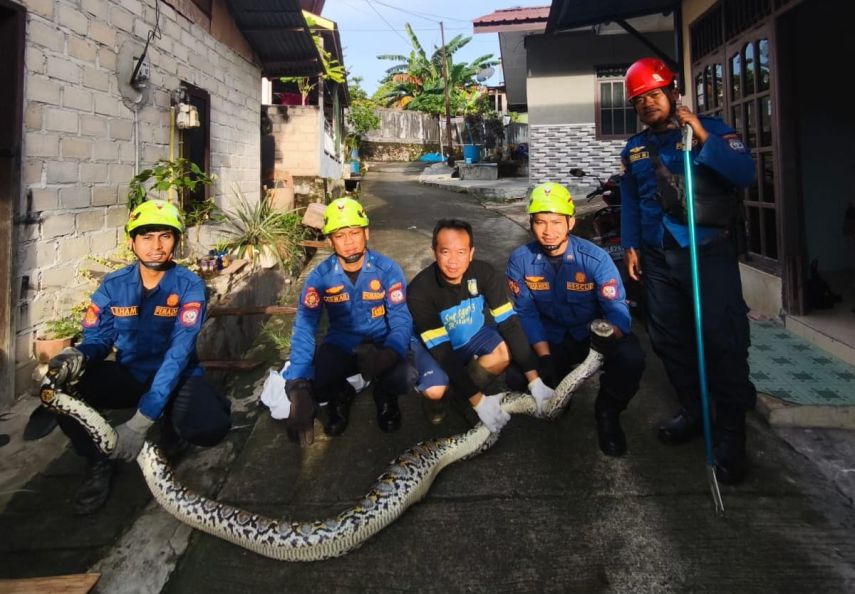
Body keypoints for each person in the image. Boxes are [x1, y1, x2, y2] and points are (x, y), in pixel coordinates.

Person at [619, 57, 757, 483]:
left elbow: (745, 173)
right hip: (657, 255)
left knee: (722, 340)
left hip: (705, 252)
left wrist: (698, 134)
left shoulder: (711, 131)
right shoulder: (634, 149)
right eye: (639, 100)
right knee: (667, 337)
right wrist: (630, 245)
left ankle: (732, 434)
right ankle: (695, 412)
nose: (647, 105)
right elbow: (630, 197)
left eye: (654, 95)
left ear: (673, 93)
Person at [47, 199, 232, 514]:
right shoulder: (113, 285)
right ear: (132, 242)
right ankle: (98, 457)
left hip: (177, 378)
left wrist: (140, 421)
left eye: (165, 236)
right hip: (131, 375)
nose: (156, 246)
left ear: (177, 240)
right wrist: (78, 355)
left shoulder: (189, 287)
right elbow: (99, 336)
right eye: (146, 237)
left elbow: (177, 354)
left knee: (211, 425)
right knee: (60, 389)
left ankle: (172, 431)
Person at [505, 182, 645, 456]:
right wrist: (543, 357)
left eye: (556, 222)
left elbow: (616, 308)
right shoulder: (520, 261)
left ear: (570, 222)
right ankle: (559, 393)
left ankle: (607, 413)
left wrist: (609, 336)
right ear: (531, 224)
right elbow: (527, 312)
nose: (548, 231)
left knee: (631, 358)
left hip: (593, 337)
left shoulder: (594, 259)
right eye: (540, 222)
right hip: (552, 338)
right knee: (515, 375)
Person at [283, 197, 413, 446]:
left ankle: (384, 393)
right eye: (340, 236)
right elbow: (304, 326)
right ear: (330, 241)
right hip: (341, 343)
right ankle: (341, 394)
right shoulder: (319, 278)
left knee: (404, 375)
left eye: (355, 233)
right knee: (316, 383)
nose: (349, 242)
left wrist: (390, 352)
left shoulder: (387, 270)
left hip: (380, 340)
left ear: (367, 233)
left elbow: (400, 318)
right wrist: (298, 385)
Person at [407, 219, 553, 433]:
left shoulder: (485, 273)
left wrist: (534, 381)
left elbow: (509, 324)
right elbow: (442, 351)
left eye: (461, 252)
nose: (453, 261)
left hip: (471, 333)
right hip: (433, 346)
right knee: (436, 391)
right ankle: (443, 400)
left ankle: (462, 394)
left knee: (503, 353)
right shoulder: (419, 290)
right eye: (445, 252)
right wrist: (479, 402)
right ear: (434, 252)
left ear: (471, 253)